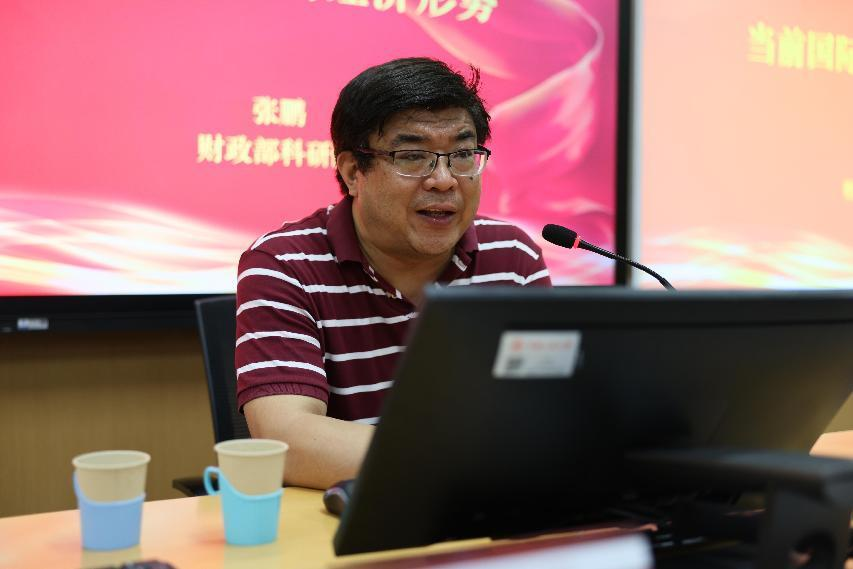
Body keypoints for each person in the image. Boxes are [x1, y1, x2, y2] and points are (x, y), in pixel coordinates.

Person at [235, 57, 551, 489]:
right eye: (413, 157)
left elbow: (547, 414)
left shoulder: (512, 258)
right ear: (353, 172)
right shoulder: (284, 265)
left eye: (462, 155)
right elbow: (287, 441)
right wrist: (476, 461)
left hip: (489, 513)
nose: (444, 180)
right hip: (350, 518)